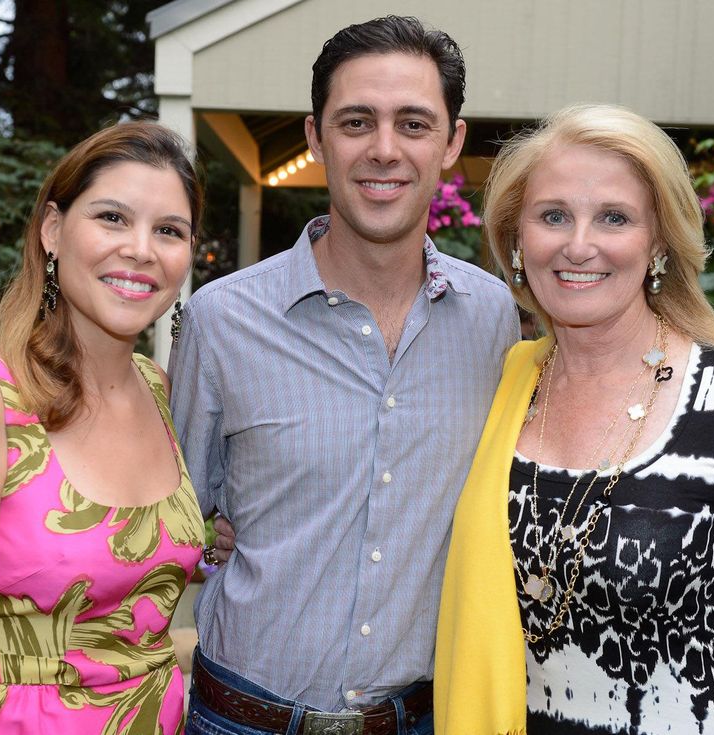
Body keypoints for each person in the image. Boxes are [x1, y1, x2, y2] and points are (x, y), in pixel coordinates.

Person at [434, 104, 714, 735]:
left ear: (657, 242)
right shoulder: (497, 387)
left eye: (614, 218)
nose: (579, 245)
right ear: (517, 239)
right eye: (553, 217)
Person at [169, 15, 519, 735]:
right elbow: (162, 523)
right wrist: (219, 541)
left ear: (451, 143)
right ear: (314, 137)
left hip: (422, 718)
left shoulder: (494, 320)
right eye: (356, 121)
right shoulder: (222, 320)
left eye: (414, 123)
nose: (384, 150)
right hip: (242, 720)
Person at [0, 121, 206, 734]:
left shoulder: (158, 391)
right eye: (112, 217)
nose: (141, 248)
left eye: (169, 230)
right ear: (52, 230)